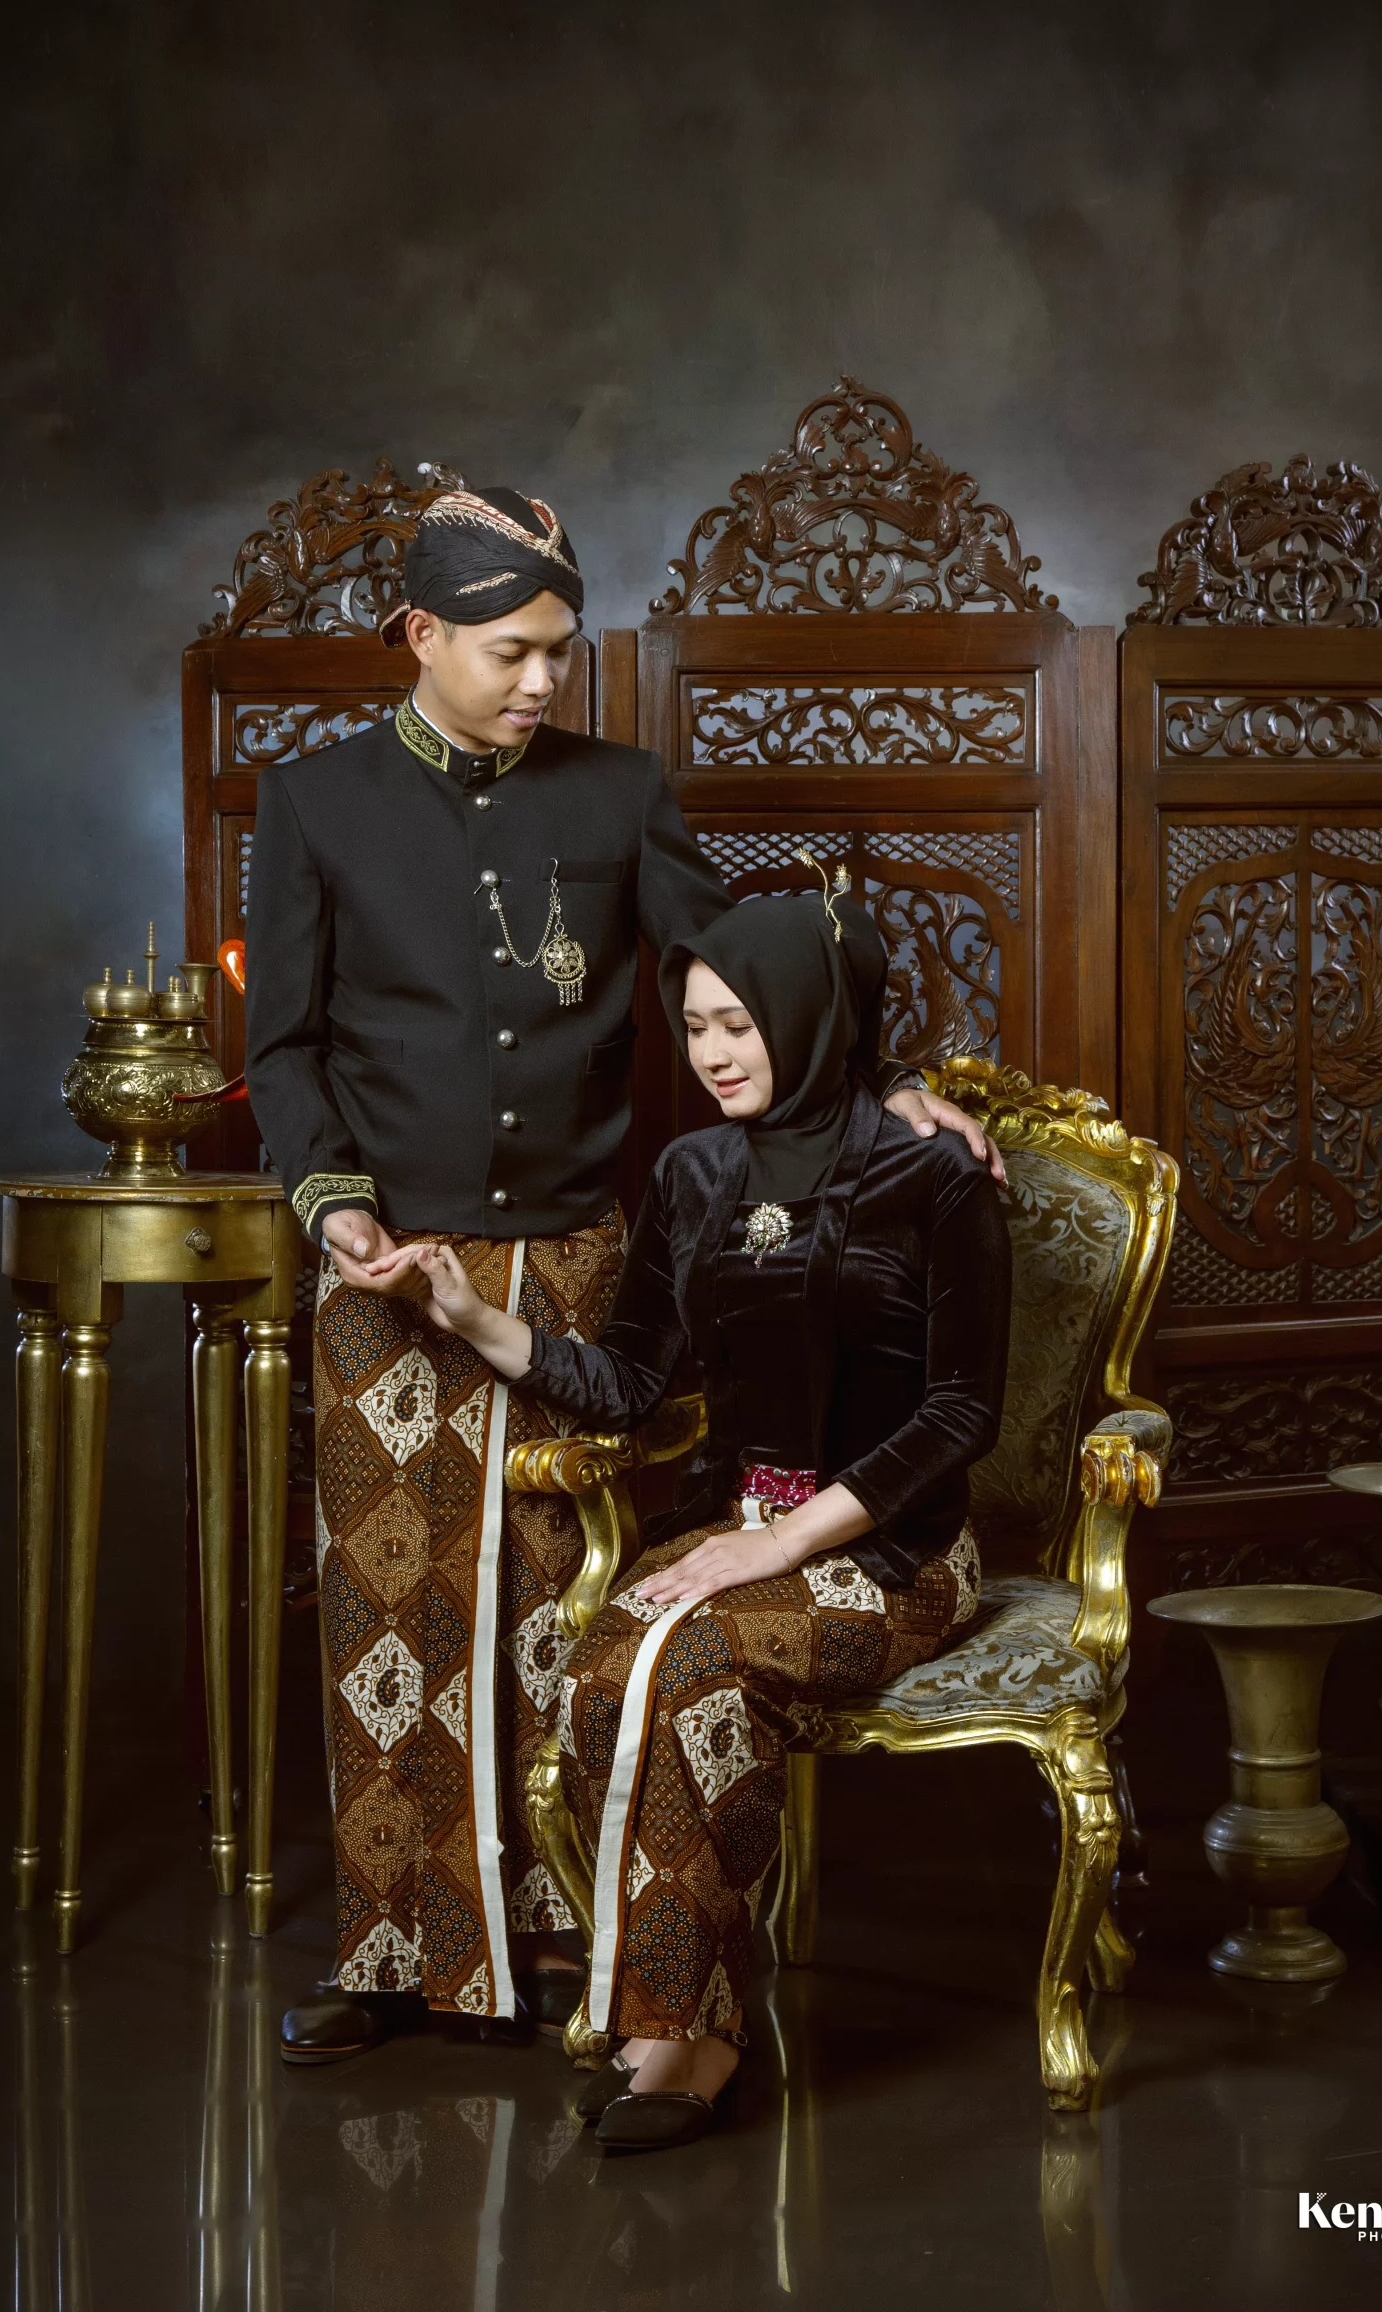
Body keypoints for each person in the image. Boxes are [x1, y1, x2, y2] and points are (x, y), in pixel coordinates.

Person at [242, 484, 1003, 2065]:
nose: (542, 682)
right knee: (384, 1609)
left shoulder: (616, 792)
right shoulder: (313, 803)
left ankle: (560, 1945)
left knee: (547, 1596)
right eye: (510, 652)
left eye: (558, 652)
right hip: (388, 1262)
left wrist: (893, 1082)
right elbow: (287, 1048)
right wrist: (332, 1210)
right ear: (420, 635)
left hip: (576, 1259)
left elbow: (754, 965)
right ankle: (390, 1956)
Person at [406, 886, 1013, 2149]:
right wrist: (473, 1321)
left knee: (691, 1675)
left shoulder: (935, 1174)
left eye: (742, 1023)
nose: (716, 1054)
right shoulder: (694, 1173)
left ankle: (695, 2037)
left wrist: (779, 1542)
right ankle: (676, 2002)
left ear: (809, 1015)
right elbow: (631, 1379)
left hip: (893, 1547)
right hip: (732, 1525)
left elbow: (962, 1412)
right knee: (592, 1670)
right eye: (694, 1028)